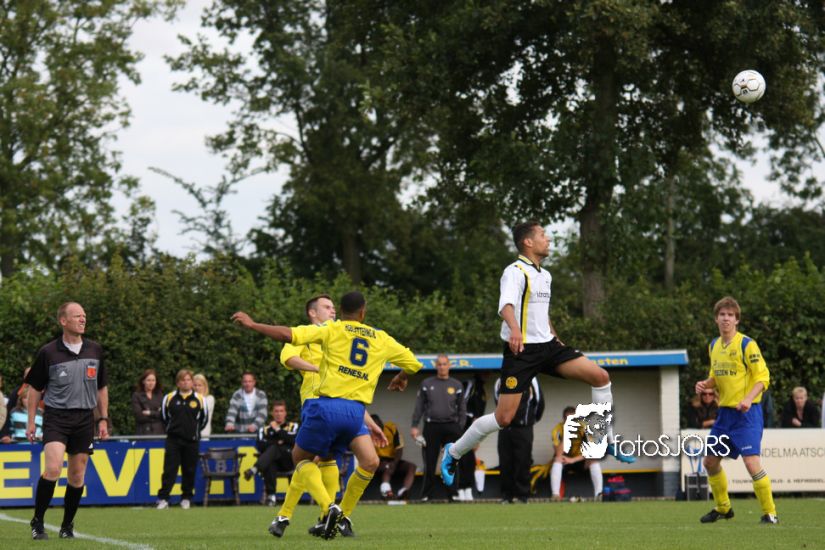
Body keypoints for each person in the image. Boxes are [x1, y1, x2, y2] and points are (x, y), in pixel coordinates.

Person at [442, 221, 633, 487]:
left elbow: (542, 314)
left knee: (601, 377)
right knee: (503, 418)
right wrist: (515, 330)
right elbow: (506, 306)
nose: (548, 239)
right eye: (543, 235)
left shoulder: (546, 275)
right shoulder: (514, 271)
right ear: (528, 242)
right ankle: (453, 452)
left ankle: (604, 439)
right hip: (521, 351)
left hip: (549, 348)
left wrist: (556, 338)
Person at [232, 290, 422, 540]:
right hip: (353, 411)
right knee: (350, 460)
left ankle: (330, 510)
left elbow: (286, 334)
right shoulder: (380, 337)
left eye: (333, 307)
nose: (330, 310)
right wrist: (402, 376)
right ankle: (321, 515)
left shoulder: (332, 330)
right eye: (325, 306)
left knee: (302, 459)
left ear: (340, 312)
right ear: (363, 312)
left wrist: (253, 324)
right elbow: (413, 363)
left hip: (326, 407)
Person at [24, 302, 109, 540]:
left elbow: (101, 387)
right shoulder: (48, 352)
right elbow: (34, 389)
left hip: (84, 419)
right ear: (63, 321)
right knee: (53, 468)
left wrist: (103, 419)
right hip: (56, 417)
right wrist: (31, 422)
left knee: (77, 475)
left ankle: (66, 525)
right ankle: (38, 522)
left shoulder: (95, 350)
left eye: (84, 315)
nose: (83, 319)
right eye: (77, 316)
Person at [695, 296, 778, 524]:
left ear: (737, 320)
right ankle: (723, 508)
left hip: (746, 415)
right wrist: (705, 384)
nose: (726, 319)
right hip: (725, 416)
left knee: (751, 463)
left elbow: (763, 378)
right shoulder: (714, 345)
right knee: (710, 462)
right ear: (716, 319)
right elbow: (716, 376)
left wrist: (749, 399)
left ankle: (770, 513)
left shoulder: (747, 344)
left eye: (730, 315)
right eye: (722, 315)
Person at [410, 354, 466, 501]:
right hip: (431, 427)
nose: (442, 367)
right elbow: (419, 406)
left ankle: (453, 494)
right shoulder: (426, 383)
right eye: (439, 364)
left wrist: (460, 427)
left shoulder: (456, 385)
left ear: (449, 365)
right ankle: (426, 495)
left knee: (451, 461)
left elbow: (462, 409)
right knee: (430, 461)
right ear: (436, 366)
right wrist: (414, 425)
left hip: (451, 427)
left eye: (444, 364)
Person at [156, 369, 208, 510]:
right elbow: (164, 418)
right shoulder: (169, 398)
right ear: (178, 383)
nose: (185, 382)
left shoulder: (200, 399)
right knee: (169, 470)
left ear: (192, 382)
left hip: (192, 441)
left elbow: (203, 420)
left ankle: (186, 498)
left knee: (189, 470)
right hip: (173, 440)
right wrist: (174, 430)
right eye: (182, 380)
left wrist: (193, 431)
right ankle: (163, 498)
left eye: (188, 380)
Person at [494, 374, 544, 503]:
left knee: (523, 461)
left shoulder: (532, 379)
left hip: (524, 428)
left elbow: (539, 403)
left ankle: (523, 496)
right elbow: (497, 402)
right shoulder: (500, 380)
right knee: (505, 462)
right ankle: (506, 496)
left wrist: (529, 421)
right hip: (505, 429)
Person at [244, 401, 299, 505]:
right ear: (272, 413)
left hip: (289, 460)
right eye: (276, 411)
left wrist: (277, 430)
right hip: (272, 462)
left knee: (274, 449)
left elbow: (294, 440)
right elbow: (260, 446)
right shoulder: (264, 429)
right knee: (270, 461)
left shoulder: (293, 426)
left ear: (285, 413)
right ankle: (271, 497)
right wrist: (280, 441)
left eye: (281, 411)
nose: (279, 414)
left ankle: (255, 469)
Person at [550, 406, 602, 501]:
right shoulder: (557, 429)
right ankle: (555, 495)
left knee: (594, 460)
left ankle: (599, 495)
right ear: (564, 420)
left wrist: (573, 460)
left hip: (580, 460)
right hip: (565, 461)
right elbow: (558, 454)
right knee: (557, 459)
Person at [456, 373, 487, 501]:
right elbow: (461, 404)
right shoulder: (469, 384)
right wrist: (467, 418)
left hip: (474, 426)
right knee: (460, 456)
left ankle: (468, 488)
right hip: (462, 425)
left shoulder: (482, 389)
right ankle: (459, 489)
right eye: (485, 372)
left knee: (470, 458)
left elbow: (480, 411)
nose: (488, 375)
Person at [371, 414, 415, 500]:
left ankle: (404, 492)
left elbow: (399, 448)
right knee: (387, 467)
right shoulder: (368, 433)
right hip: (377, 461)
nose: (376, 429)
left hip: (393, 460)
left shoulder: (391, 428)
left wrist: (395, 463)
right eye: (374, 427)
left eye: (378, 425)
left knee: (412, 467)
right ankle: (386, 492)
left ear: (381, 423)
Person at [131, 369, 164, 435]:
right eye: (148, 380)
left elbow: (163, 414)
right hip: (143, 433)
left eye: (153, 380)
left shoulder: (159, 395)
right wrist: (156, 414)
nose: (151, 383)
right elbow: (139, 416)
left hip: (159, 433)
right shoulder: (136, 395)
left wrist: (150, 413)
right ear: (143, 381)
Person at [193, 373, 215, 438]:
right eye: (195, 385)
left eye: (200, 385)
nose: (197, 388)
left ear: (205, 386)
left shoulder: (210, 398)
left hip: (203, 434)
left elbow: (201, 410)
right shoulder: (189, 399)